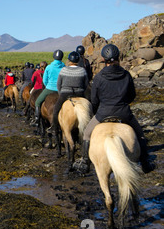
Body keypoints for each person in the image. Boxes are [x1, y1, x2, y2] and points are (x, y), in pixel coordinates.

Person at [79, 44, 154, 173]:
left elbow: (95, 100)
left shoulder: (99, 77)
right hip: (124, 113)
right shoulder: (126, 75)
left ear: (104, 60)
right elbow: (132, 96)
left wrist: (97, 111)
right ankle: (145, 162)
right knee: (140, 135)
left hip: (103, 113)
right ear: (118, 57)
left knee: (86, 133)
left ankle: (85, 162)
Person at [47, 51, 89, 134]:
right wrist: (81, 91)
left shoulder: (64, 70)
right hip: (79, 94)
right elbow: (86, 84)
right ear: (78, 61)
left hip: (65, 94)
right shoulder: (82, 70)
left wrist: (60, 93)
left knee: (55, 110)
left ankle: (54, 128)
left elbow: (59, 84)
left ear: (69, 60)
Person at [32, 50, 65, 126]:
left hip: (49, 88)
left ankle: (37, 120)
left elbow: (45, 80)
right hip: (61, 90)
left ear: (54, 56)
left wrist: (48, 86)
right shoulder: (64, 67)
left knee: (37, 102)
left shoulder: (49, 67)